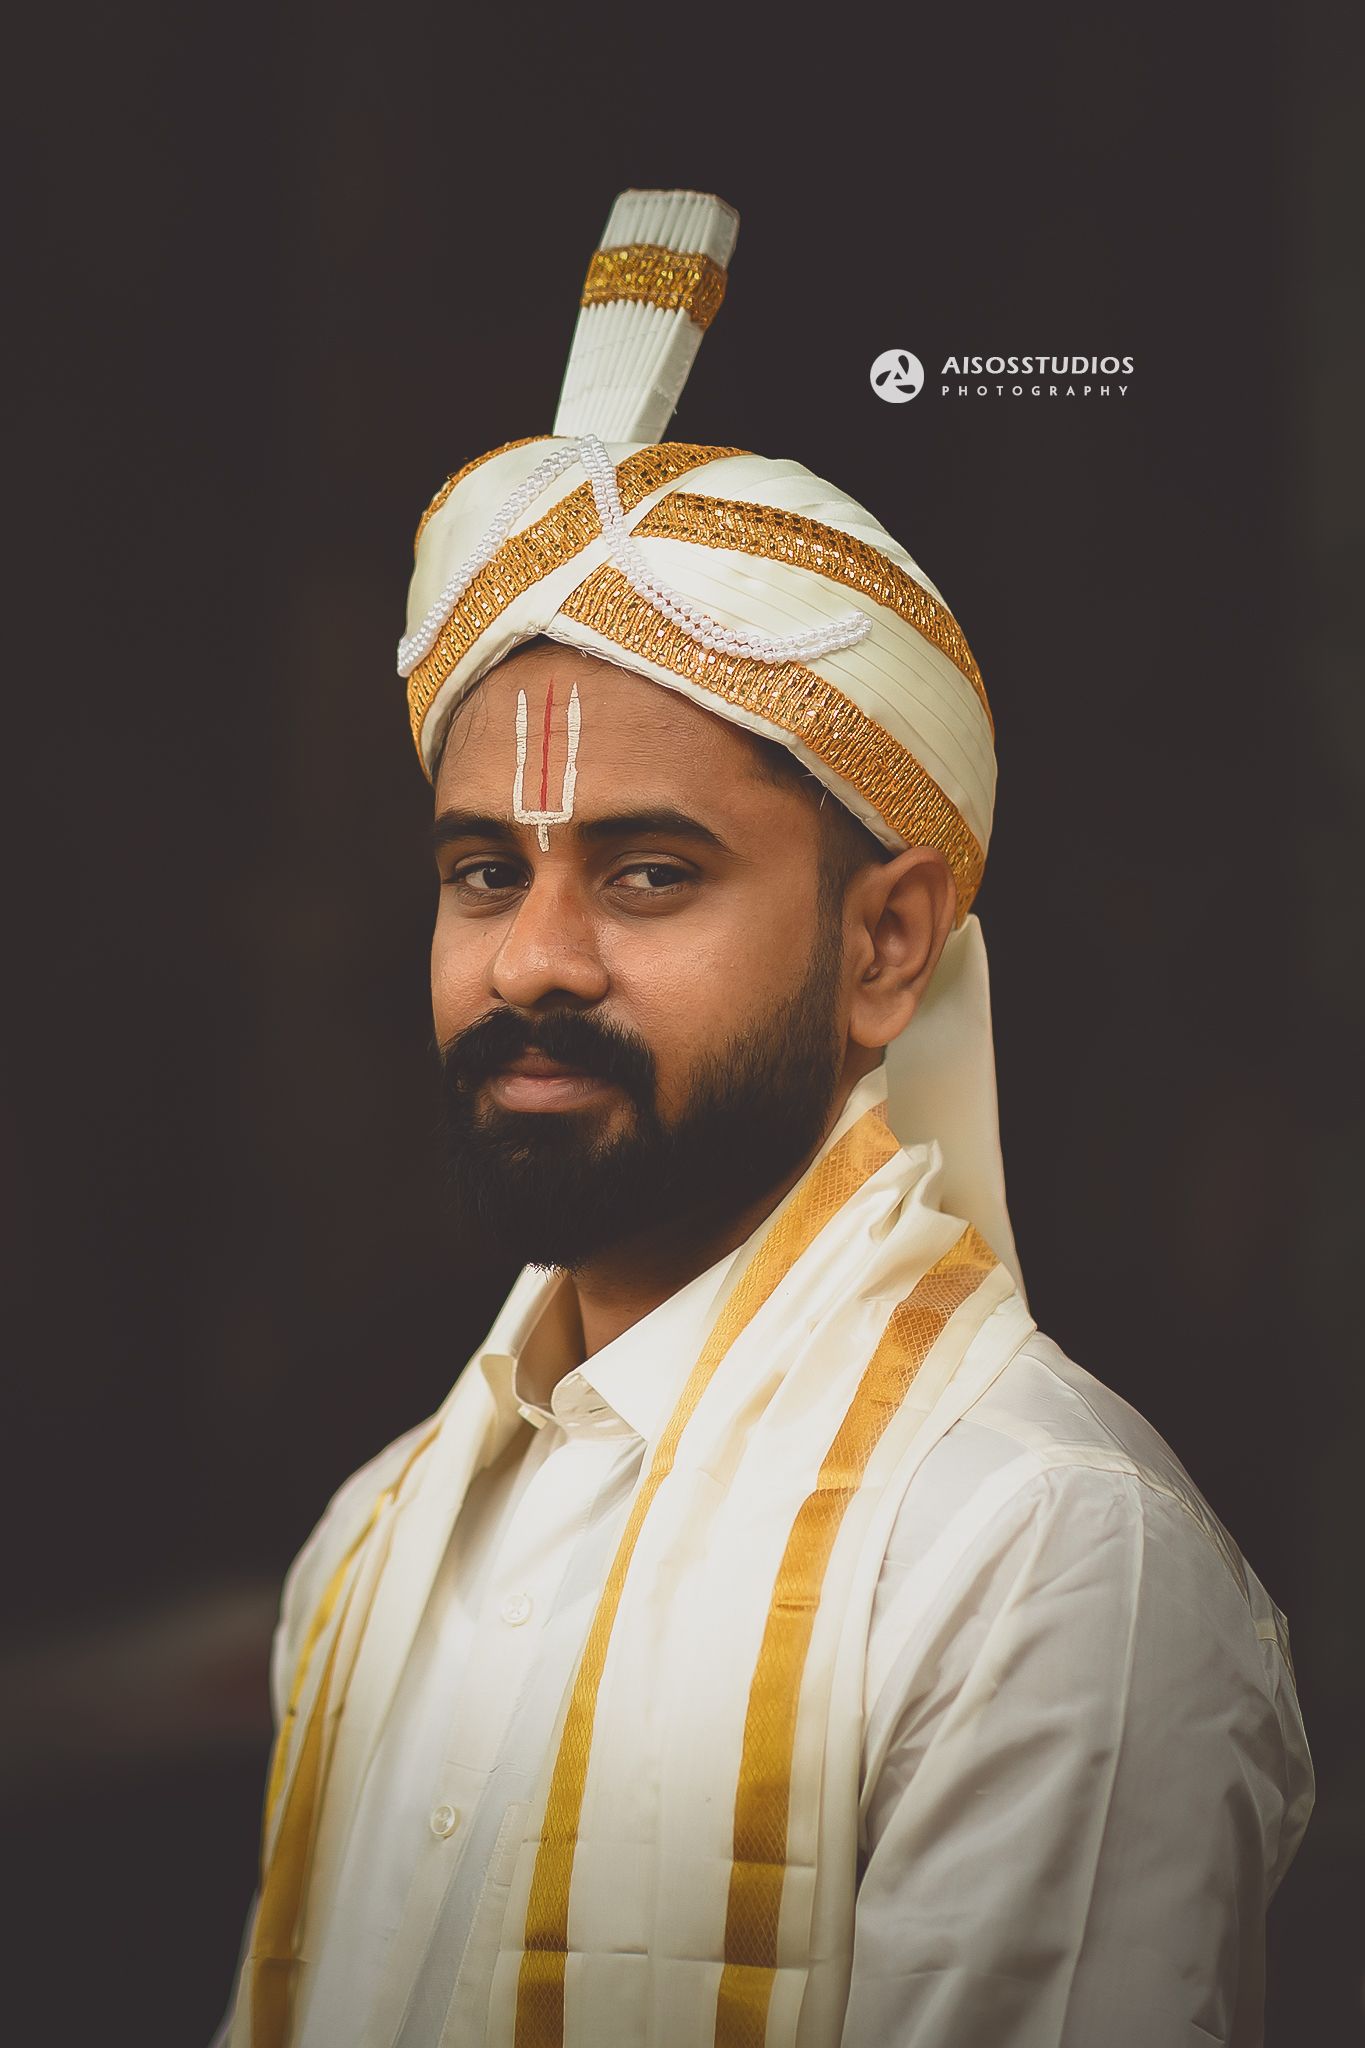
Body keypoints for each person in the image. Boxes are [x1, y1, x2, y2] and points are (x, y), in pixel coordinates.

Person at [215, 189, 1312, 2048]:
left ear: (885, 945)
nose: (532, 960)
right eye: (484, 872)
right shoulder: (369, 1545)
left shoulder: (1034, 1565)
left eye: (648, 874)